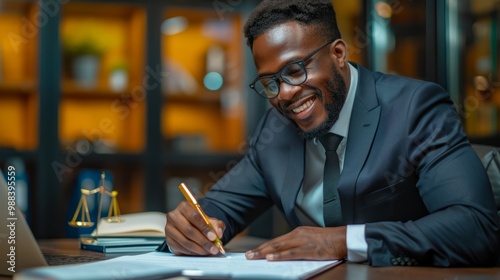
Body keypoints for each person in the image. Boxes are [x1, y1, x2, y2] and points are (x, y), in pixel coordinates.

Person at [164, 0, 500, 266]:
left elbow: (475, 228)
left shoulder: (415, 108)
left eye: (294, 70)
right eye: (270, 82)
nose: (283, 94)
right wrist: (192, 228)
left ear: (338, 53)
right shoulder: (275, 130)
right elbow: (215, 210)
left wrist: (341, 241)